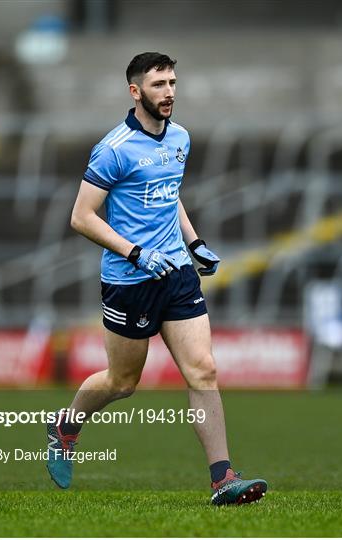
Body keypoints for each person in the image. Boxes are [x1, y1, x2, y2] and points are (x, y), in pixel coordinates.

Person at [46, 52, 267, 505]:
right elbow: (81, 217)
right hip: (130, 280)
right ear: (135, 92)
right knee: (122, 383)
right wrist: (136, 252)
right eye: (158, 84)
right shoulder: (114, 149)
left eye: (172, 82)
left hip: (177, 274)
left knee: (203, 369)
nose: (169, 92)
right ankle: (66, 425)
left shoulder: (180, 138)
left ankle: (223, 478)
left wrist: (194, 243)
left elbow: (169, 195)